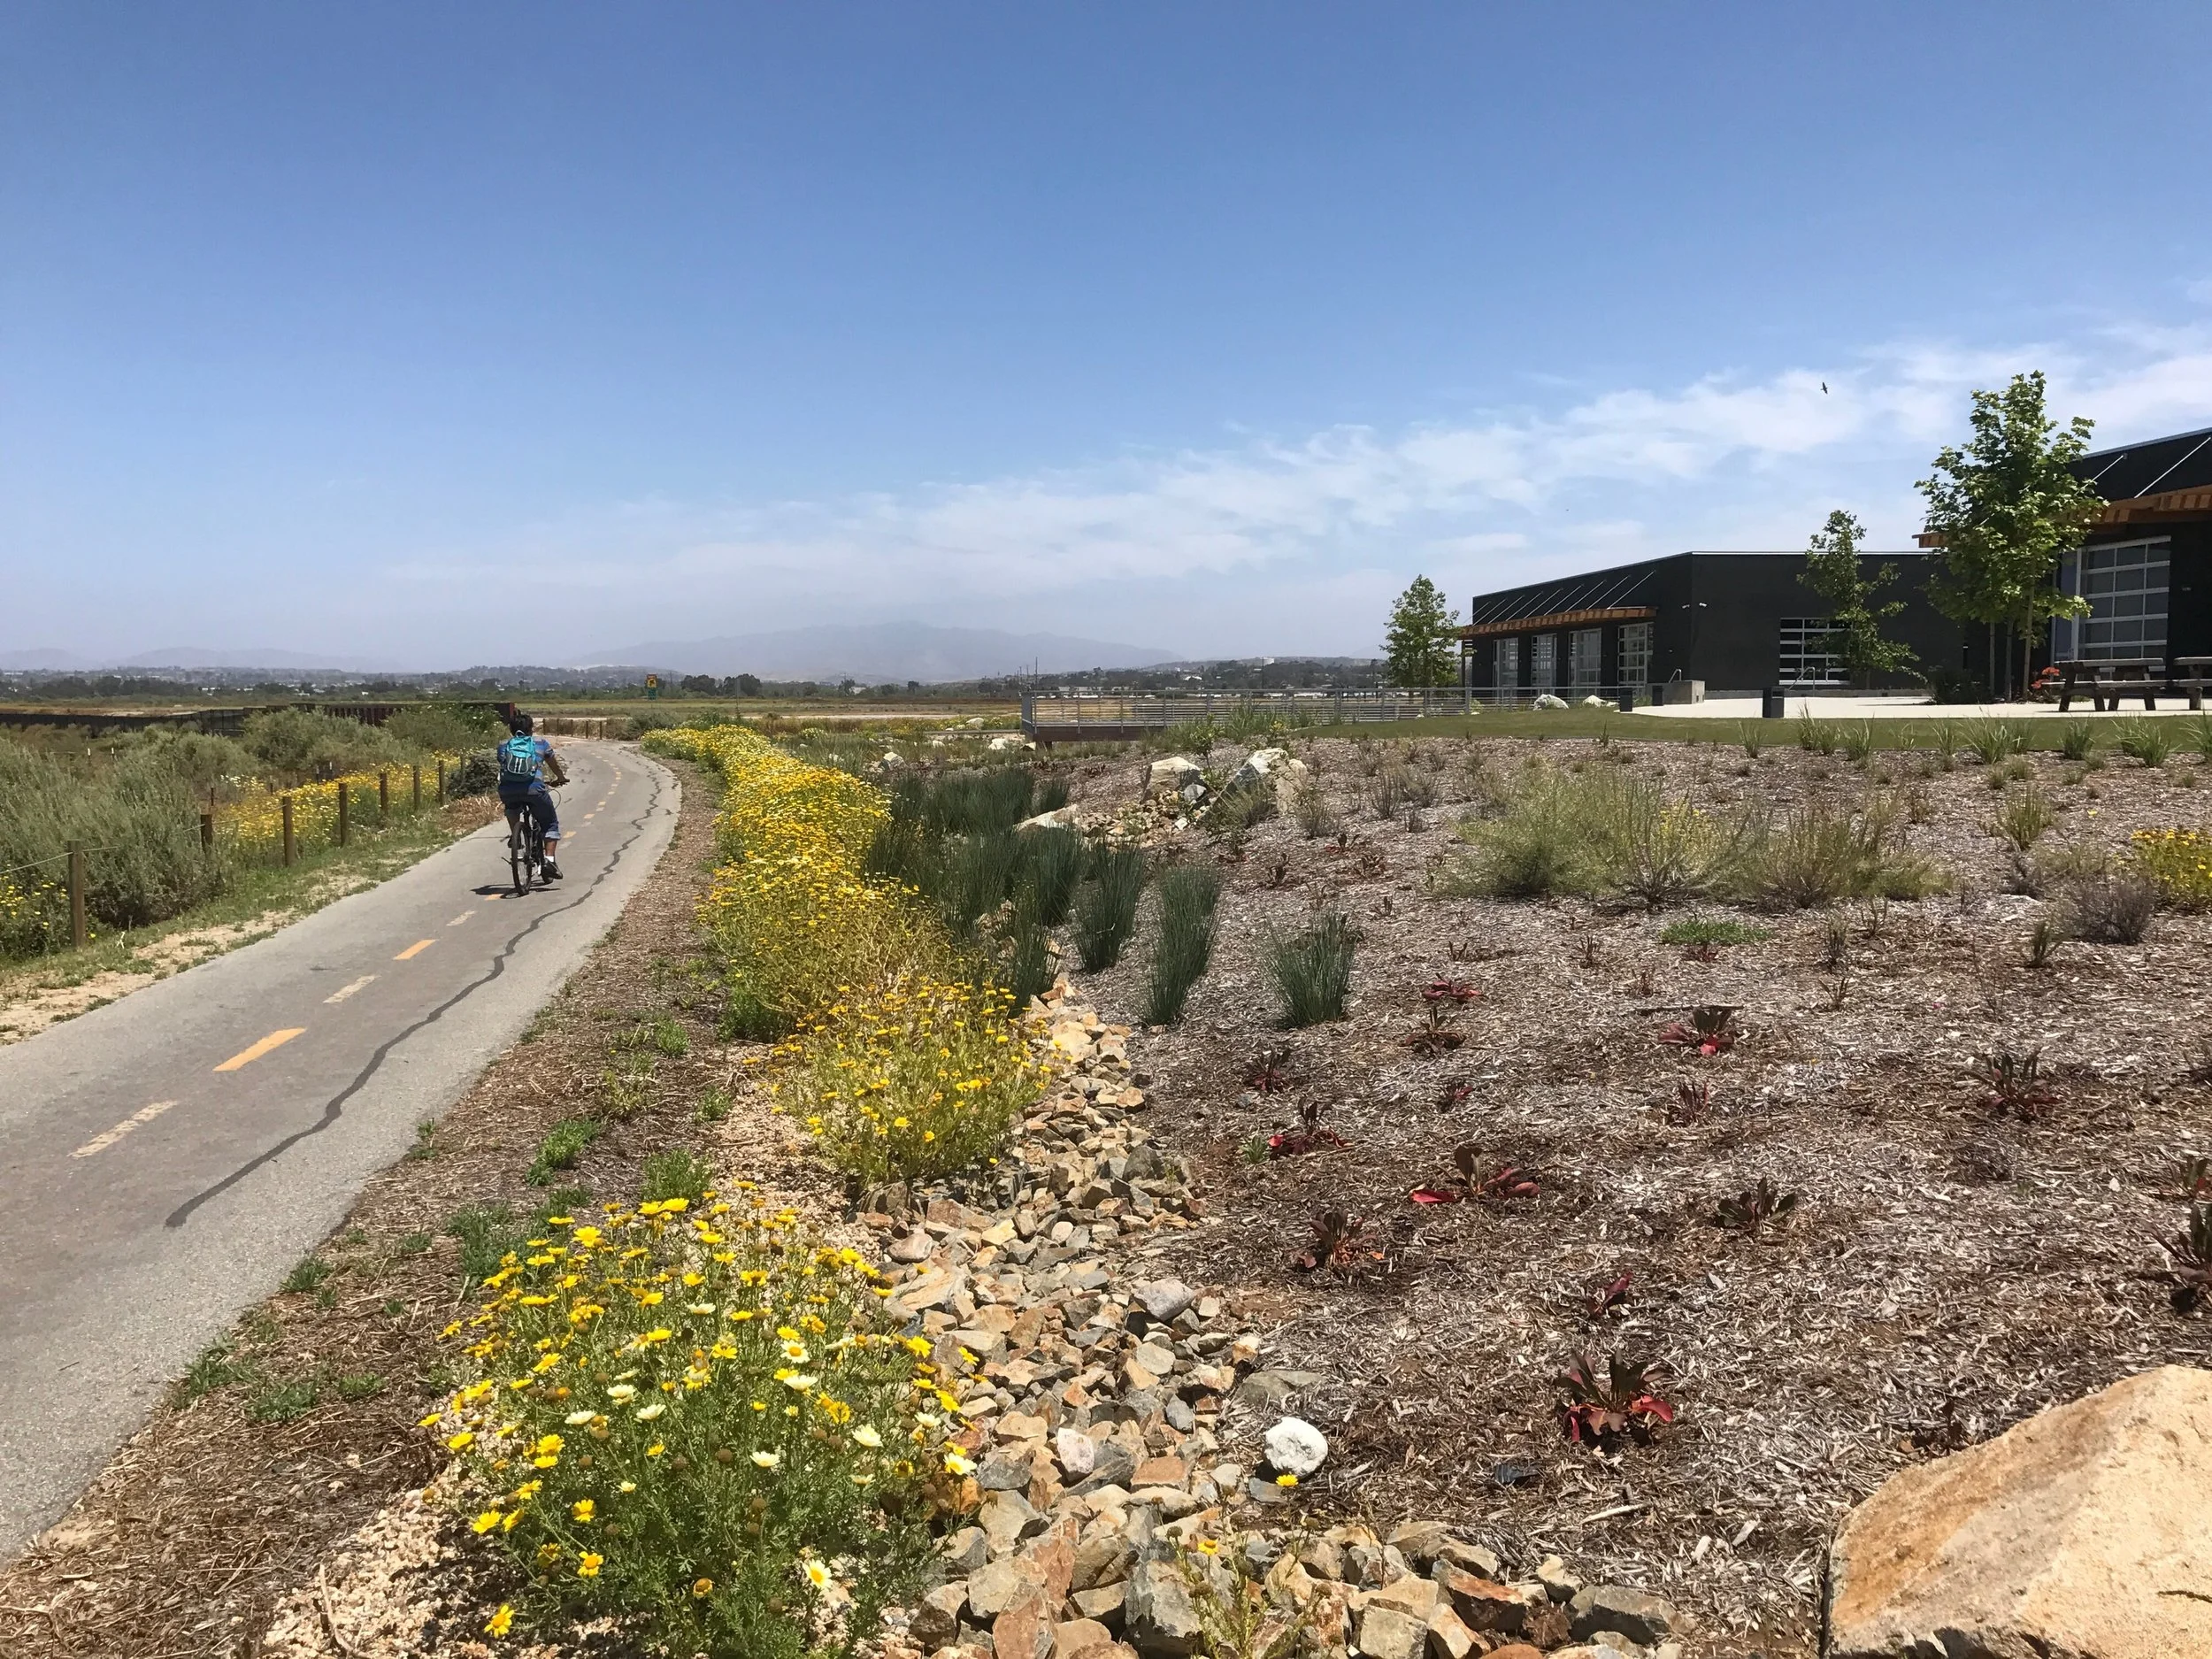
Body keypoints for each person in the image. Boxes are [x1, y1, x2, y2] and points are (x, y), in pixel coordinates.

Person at [495, 713, 568, 879]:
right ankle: (549, 861)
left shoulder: (503, 745)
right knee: (550, 823)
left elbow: (504, 764)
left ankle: (516, 836)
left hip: (508, 790)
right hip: (534, 789)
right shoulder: (541, 743)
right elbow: (553, 764)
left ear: (511, 729)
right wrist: (560, 778)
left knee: (512, 806)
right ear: (531, 729)